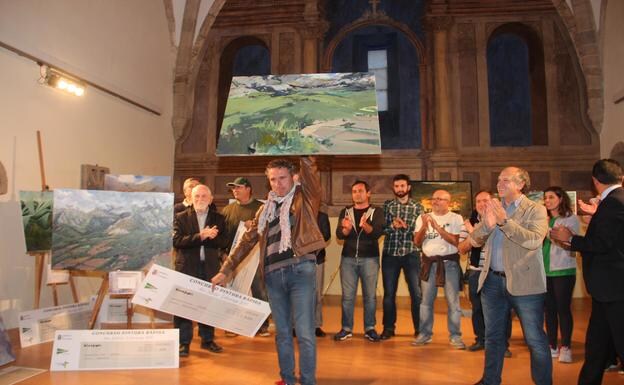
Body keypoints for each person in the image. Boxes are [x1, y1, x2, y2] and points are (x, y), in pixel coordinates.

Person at [211, 157, 325, 385]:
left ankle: (308, 381)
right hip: (273, 276)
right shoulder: (265, 209)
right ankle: (287, 379)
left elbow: (311, 175)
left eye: (282, 178)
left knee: (303, 332)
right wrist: (226, 270)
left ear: (293, 177)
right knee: (282, 333)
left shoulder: (305, 199)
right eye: (273, 179)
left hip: (300, 270)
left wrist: (307, 153)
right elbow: (247, 240)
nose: (278, 184)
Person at [469, 167, 551, 385]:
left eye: (506, 180)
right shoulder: (493, 208)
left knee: (535, 340)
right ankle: (490, 380)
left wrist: (505, 222)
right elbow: (475, 240)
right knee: (493, 338)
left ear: (521, 184)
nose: (500, 184)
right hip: (492, 283)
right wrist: (487, 225)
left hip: (526, 284)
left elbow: (533, 240)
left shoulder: (536, 210)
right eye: (498, 179)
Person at [550, 159, 624, 385]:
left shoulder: (614, 203)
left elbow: (602, 244)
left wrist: (569, 239)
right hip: (607, 290)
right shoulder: (613, 201)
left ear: (595, 181)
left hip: (614, 287)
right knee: (596, 347)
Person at [173, 184, 228, 357]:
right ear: (190, 199)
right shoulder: (180, 217)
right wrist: (201, 236)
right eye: (196, 196)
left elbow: (224, 242)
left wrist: (213, 238)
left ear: (211, 199)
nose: (200, 200)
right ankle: (183, 343)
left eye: (204, 196)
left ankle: (207, 340)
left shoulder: (219, 218)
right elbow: (177, 241)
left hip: (210, 267)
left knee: (208, 305)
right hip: (186, 267)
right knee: (183, 305)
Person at [458, 191, 513, 357]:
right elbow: (461, 248)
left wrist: (476, 233)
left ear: (493, 203)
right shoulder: (467, 223)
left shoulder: (502, 220)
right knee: (478, 309)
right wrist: (474, 233)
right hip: (476, 272)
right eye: (478, 201)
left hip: (498, 272)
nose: (482, 204)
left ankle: (503, 345)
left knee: (503, 310)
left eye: (485, 201)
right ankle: (481, 340)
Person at [413, 190, 465, 349]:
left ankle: (455, 336)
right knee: (425, 302)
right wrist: (424, 226)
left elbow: (456, 241)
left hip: (449, 264)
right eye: (433, 199)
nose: (435, 201)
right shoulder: (422, 217)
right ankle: (425, 334)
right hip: (429, 263)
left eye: (439, 199)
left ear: (448, 202)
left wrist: (436, 227)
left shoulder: (456, 218)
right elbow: (416, 242)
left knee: (453, 303)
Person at [334, 180, 385, 342]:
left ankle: (370, 328)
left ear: (368, 193)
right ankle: (346, 328)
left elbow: (377, 233)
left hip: (370, 259)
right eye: (354, 191)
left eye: (360, 191)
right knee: (347, 297)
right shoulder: (346, 211)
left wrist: (365, 226)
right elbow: (339, 235)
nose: (357, 194)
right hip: (348, 259)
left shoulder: (376, 211)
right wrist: (346, 229)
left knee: (370, 297)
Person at [221, 176, 268, 336]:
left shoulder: (261, 207)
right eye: (233, 188)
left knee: (258, 290)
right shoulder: (228, 210)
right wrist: (224, 253)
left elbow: (268, 232)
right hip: (234, 255)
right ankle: (233, 324)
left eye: (238, 187)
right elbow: (224, 234)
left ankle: (262, 325)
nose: (235, 190)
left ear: (248, 189)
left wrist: (254, 226)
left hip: (254, 257)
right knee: (233, 291)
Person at [381, 174, 423, 340]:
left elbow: (420, 232)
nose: (399, 189)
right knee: (389, 294)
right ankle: (388, 329)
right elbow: (381, 229)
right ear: (394, 188)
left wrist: (405, 227)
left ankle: (420, 329)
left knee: (416, 294)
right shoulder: (387, 206)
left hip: (411, 254)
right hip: (390, 254)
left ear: (408, 187)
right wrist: (392, 226)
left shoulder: (418, 207)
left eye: (402, 186)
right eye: (397, 186)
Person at [541, 186, 580, 363]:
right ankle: (552, 345)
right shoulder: (544, 219)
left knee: (563, 309)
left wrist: (547, 232)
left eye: (551, 197)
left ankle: (566, 346)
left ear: (561, 198)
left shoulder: (571, 219)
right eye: (545, 198)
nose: (547, 201)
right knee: (549, 310)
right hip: (544, 270)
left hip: (563, 270)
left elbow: (568, 242)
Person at [314, 208, 331, 337]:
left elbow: (326, 235)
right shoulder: (297, 213)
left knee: (316, 294)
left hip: (317, 259)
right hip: (297, 260)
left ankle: (316, 325)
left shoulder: (322, 216)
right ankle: (294, 326)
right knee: (296, 294)